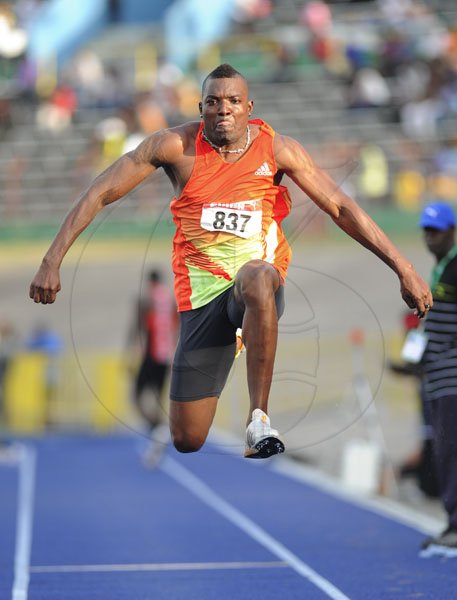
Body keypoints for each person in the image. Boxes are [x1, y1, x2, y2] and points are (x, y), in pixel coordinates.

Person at [29, 63, 432, 459]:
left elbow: (341, 208)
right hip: (202, 298)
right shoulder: (175, 147)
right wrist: (53, 259)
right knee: (188, 438)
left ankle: (259, 419)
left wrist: (404, 267)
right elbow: (100, 191)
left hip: (255, 287)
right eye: (213, 101)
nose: (224, 109)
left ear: (249, 107)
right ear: (200, 108)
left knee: (257, 276)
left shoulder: (278, 150)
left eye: (233, 101)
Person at [418, 201, 457, 557]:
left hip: (453, 376)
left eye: (436, 231)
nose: (430, 238)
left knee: (450, 451)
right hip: (438, 375)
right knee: (444, 451)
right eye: (426, 231)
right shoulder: (440, 269)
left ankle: (456, 526)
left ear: (451, 231)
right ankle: (452, 523)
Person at [127, 268, 177, 466]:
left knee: (137, 397)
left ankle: (158, 428)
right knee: (157, 398)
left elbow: (137, 328)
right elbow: (177, 327)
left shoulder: (145, 299)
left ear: (149, 281)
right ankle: (159, 433)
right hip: (167, 357)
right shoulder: (170, 300)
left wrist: (130, 352)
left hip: (150, 355)